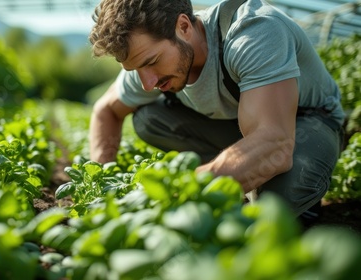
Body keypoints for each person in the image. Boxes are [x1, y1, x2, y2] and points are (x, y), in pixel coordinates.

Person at [87, 0, 345, 225]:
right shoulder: (150, 56)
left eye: (151, 62)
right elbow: (105, 110)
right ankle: (240, 175)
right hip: (244, 127)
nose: (147, 83)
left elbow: (275, 143)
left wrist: (176, 192)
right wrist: (102, 181)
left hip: (306, 123)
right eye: (135, 70)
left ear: (184, 27)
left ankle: (289, 193)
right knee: (148, 119)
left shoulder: (253, 31)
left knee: (276, 202)